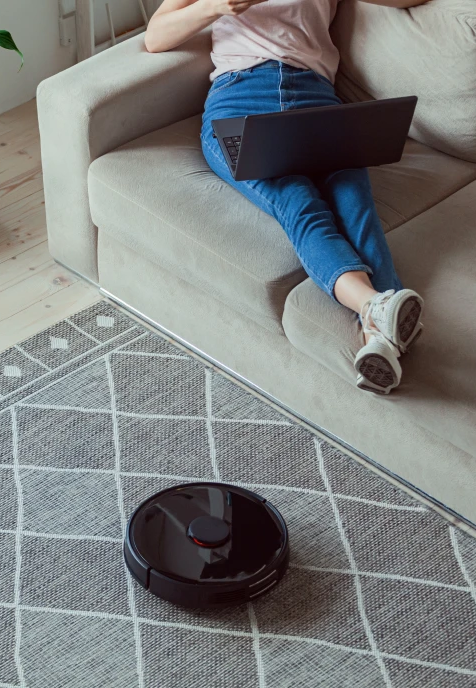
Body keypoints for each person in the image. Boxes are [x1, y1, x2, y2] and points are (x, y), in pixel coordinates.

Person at [144, 0, 428, 394]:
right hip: (241, 98)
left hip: (317, 98)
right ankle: (373, 307)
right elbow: (155, 36)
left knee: (356, 208)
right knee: (301, 205)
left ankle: (379, 341)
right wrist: (215, 6)